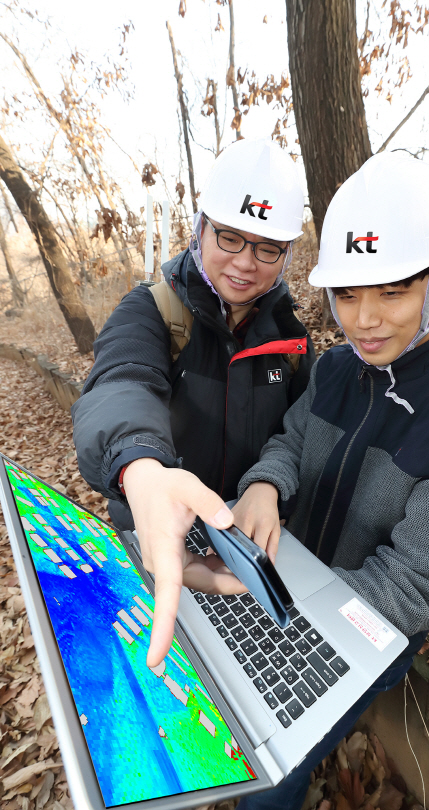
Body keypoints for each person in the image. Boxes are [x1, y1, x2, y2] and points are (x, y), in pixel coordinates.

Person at [231, 151, 429, 810]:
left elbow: (410, 587)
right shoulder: (339, 369)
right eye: (345, 293)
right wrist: (263, 484)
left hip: (359, 635)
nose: (363, 319)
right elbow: (290, 440)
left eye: (393, 289)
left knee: (268, 778)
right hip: (280, 590)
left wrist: (276, 613)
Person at [72, 138, 315, 666]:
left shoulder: (290, 336)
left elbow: (301, 428)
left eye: (267, 247)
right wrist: (141, 467)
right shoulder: (150, 312)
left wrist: (269, 483)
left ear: (287, 254)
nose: (246, 263)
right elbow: (121, 381)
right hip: (160, 537)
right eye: (230, 237)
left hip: (243, 553)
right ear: (200, 227)